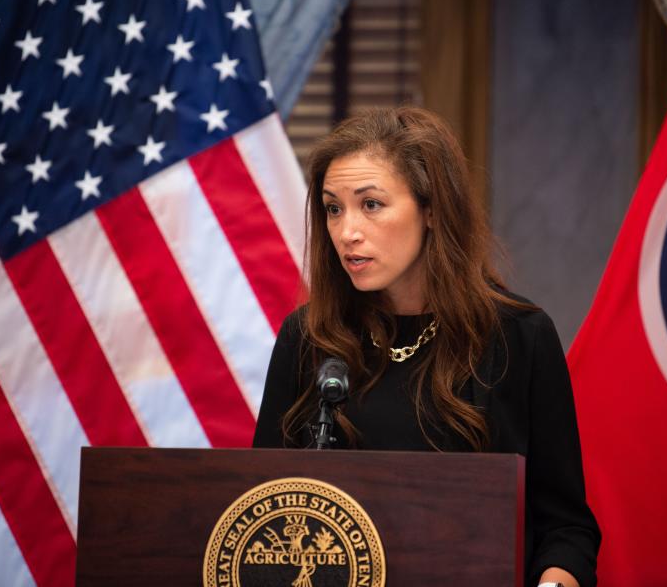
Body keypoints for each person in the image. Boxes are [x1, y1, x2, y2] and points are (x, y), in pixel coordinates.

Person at [253, 107, 600, 587]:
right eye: (333, 208)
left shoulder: (520, 335)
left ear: (432, 210)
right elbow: (262, 516)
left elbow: (566, 528)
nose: (347, 231)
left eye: (370, 204)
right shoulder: (308, 337)